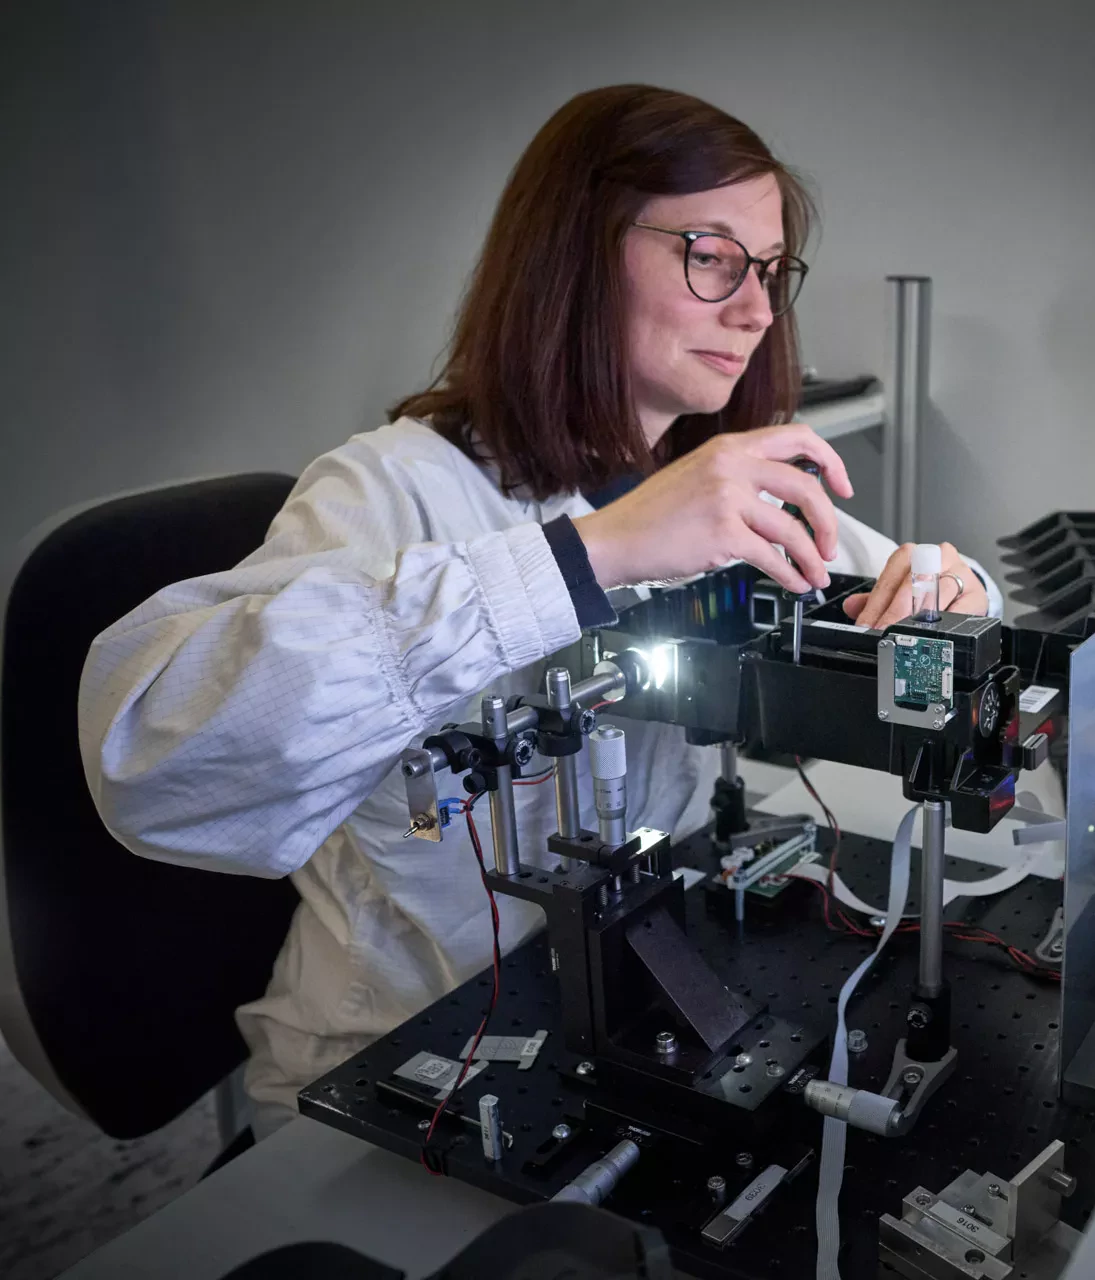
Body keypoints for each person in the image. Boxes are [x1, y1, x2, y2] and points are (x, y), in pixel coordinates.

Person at [76, 85, 1000, 1134]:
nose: (755, 309)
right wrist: (588, 556)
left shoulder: (708, 480)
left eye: (772, 271)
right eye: (710, 255)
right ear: (575, 252)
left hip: (651, 998)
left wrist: (954, 595)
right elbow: (151, 760)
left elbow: (941, 593)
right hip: (406, 1065)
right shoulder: (390, 491)